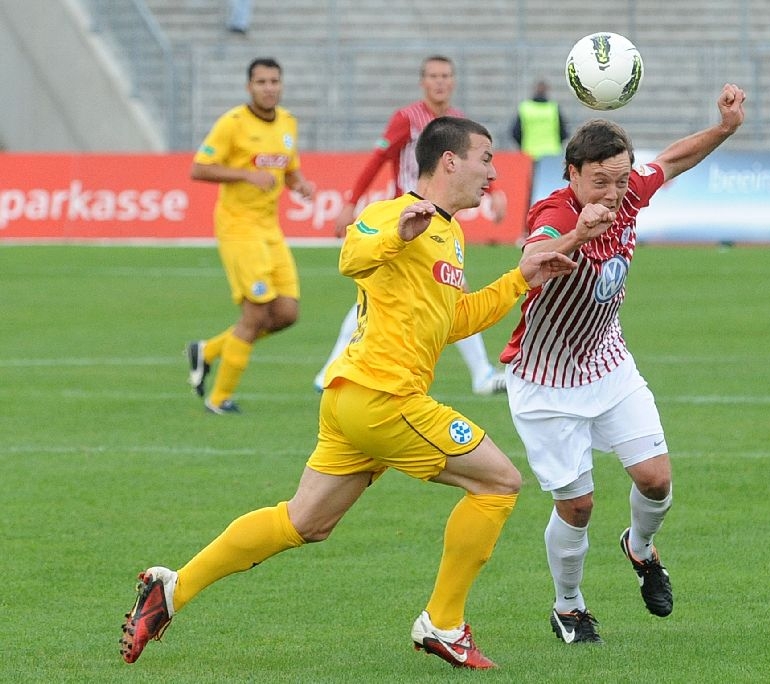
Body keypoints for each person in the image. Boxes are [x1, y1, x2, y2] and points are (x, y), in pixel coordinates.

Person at [119, 116, 578, 670]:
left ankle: (173, 589)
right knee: (499, 484)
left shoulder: (450, 233)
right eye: (485, 158)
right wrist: (395, 234)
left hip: (353, 401)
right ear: (449, 161)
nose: (493, 171)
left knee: (303, 522)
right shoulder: (394, 213)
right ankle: (445, 623)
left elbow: (451, 321)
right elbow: (350, 257)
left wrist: (520, 278)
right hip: (386, 399)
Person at [500, 84, 746, 644]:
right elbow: (531, 261)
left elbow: (673, 160)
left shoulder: (629, 192)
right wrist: (576, 234)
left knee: (656, 480)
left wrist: (725, 128)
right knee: (578, 506)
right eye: (599, 182)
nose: (612, 193)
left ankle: (639, 548)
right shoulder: (553, 210)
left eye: (619, 179)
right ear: (572, 174)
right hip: (546, 381)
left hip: (608, 364)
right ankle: (569, 607)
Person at [314, 55, 508, 395]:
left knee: (397, 292)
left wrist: (496, 191)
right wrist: (350, 202)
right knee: (441, 289)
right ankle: (481, 374)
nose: (440, 82)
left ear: (454, 81)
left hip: (439, 220)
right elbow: (379, 158)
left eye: (446, 75)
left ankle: (329, 371)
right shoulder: (407, 118)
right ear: (422, 82)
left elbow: (473, 166)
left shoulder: (460, 124)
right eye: (433, 76)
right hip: (407, 220)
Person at [186, 57, 315, 414]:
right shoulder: (232, 124)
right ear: (249, 87)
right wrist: (245, 176)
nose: (269, 87)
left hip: (269, 228)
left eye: (274, 81)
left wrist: (300, 185)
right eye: (261, 82)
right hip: (238, 226)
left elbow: (289, 170)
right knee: (257, 313)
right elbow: (198, 168)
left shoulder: (288, 123)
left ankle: (209, 350)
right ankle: (218, 398)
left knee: (287, 312)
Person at [511, 79, 568, 161]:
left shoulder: (525, 108)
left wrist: (522, 146)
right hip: (551, 153)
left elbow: (515, 133)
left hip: (529, 153)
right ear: (547, 91)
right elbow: (563, 133)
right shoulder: (553, 108)